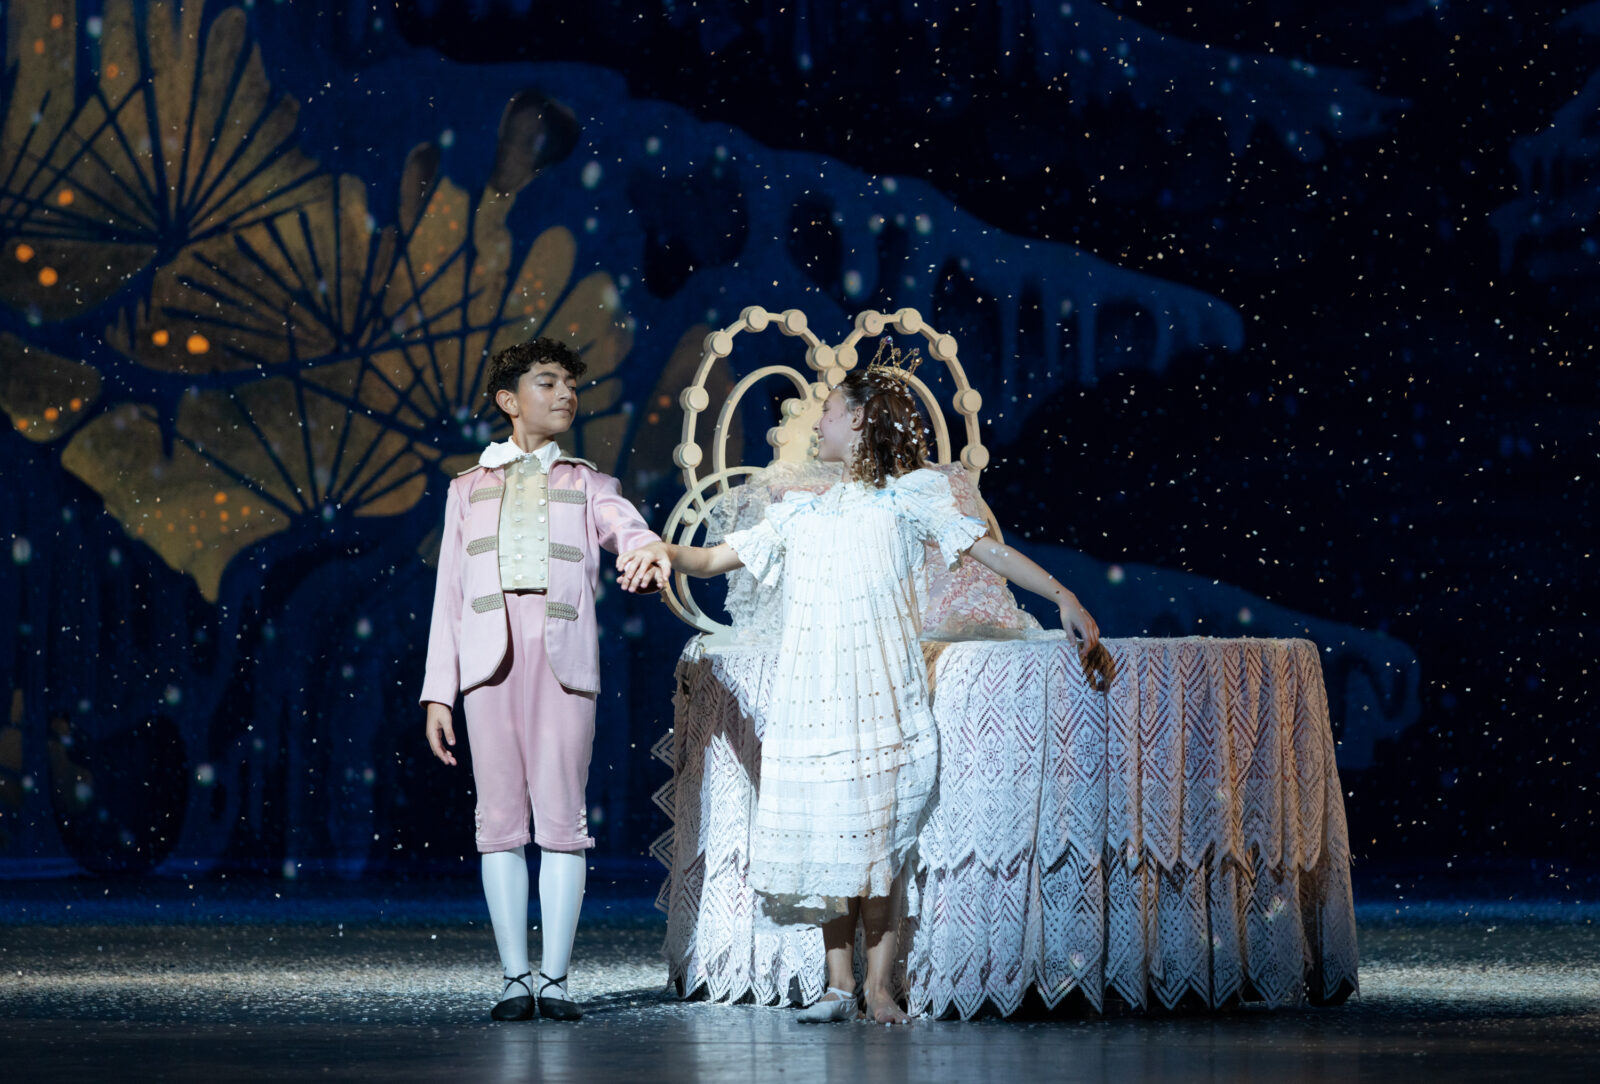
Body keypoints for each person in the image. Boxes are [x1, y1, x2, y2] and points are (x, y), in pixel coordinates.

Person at [617, 343, 1100, 1024]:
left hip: (879, 689)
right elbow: (712, 556)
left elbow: (987, 550)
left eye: (833, 412)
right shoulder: (801, 513)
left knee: (876, 840)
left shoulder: (910, 499)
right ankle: (837, 983)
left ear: (866, 421)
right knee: (827, 835)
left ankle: (878, 985)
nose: (820, 423)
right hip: (812, 696)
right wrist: (661, 550)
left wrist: (1063, 597)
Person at [420, 337, 665, 1022]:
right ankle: (512, 978)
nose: (565, 395)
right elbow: (448, 593)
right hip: (487, 665)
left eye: (571, 386)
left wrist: (647, 552)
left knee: (562, 820)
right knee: (497, 823)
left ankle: (554, 980)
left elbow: (632, 530)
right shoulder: (467, 489)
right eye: (548, 383)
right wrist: (439, 689)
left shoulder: (589, 483)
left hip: (561, 662)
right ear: (508, 400)